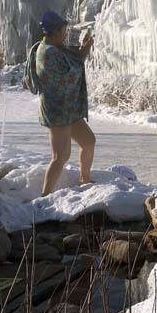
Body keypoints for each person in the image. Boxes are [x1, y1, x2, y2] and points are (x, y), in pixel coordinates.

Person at [34, 11, 96, 195]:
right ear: (53, 32)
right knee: (60, 156)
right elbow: (71, 73)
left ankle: (85, 179)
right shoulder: (48, 53)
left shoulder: (55, 47)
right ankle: (45, 196)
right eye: (63, 30)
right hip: (57, 110)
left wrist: (85, 48)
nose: (65, 34)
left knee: (88, 141)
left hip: (68, 108)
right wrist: (85, 50)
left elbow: (73, 61)